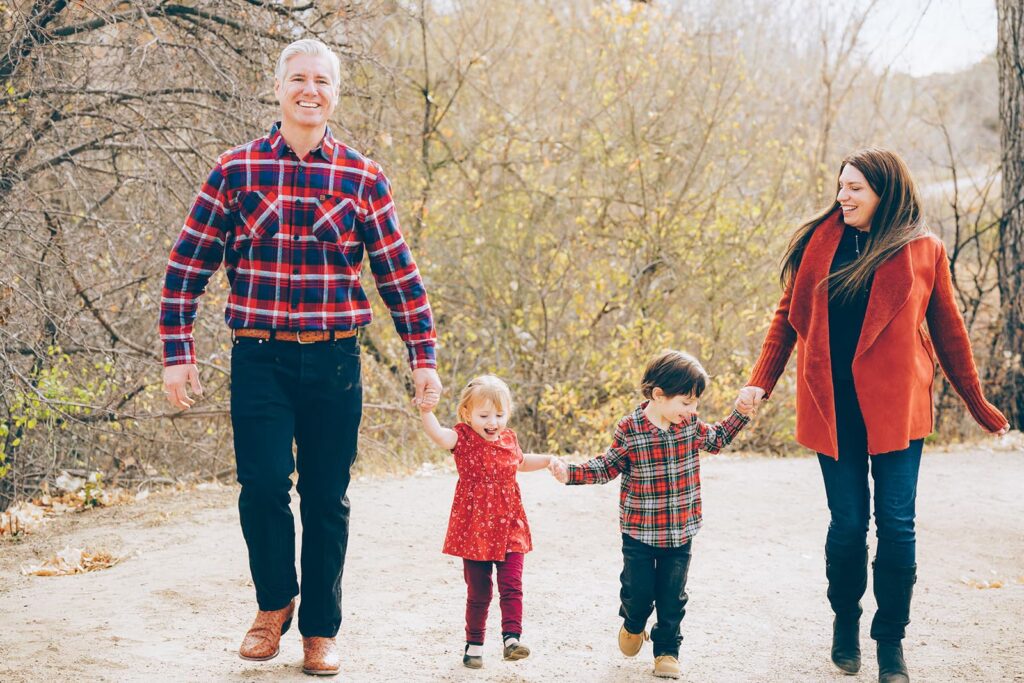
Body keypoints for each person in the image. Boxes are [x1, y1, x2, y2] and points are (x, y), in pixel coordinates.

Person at [158, 39, 442, 676]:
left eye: (322, 81)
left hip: (336, 362)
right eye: (298, 79)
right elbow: (184, 269)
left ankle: (320, 630)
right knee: (261, 488)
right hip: (258, 359)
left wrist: (422, 354)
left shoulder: (362, 178)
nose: (309, 90)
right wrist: (179, 352)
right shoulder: (235, 170)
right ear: (279, 87)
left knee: (326, 497)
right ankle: (273, 603)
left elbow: (399, 275)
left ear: (335, 94)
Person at [737, 148, 1010, 683]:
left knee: (898, 527)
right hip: (832, 407)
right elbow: (787, 317)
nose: (843, 195)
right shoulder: (818, 244)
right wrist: (759, 381)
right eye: (841, 185)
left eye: (856, 187)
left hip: (897, 408)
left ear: (885, 191)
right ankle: (845, 623)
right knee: (847, 527)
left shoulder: (922, 250)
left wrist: (978, 404)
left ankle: (890, 643)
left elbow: (950, 333)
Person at [549, 351, 755, 680]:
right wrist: (570, 473)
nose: (693, 411)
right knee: (639, 592)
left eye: (695, 403)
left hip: (680, 531)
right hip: (639, 532)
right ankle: (633, 623)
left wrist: (740, 413)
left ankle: (667, 650)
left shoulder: (689, 426)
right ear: (658, 395)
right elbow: (607, 466)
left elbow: (718, 439)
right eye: (686, 403)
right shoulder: (631, 429)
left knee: (673, 597)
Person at [418, 375, 555, 670]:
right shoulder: (462, 438)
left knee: (512, 584)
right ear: (467, 414)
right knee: (479, 590)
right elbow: (439, 436)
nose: (493, 421)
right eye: (483, 415)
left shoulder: (509, 439)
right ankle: (475, 644)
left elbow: (520, 462)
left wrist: (546, 460)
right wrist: (426, 411)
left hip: (510, 524)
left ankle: (511, 639)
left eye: (499, 414)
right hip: (475, 528)